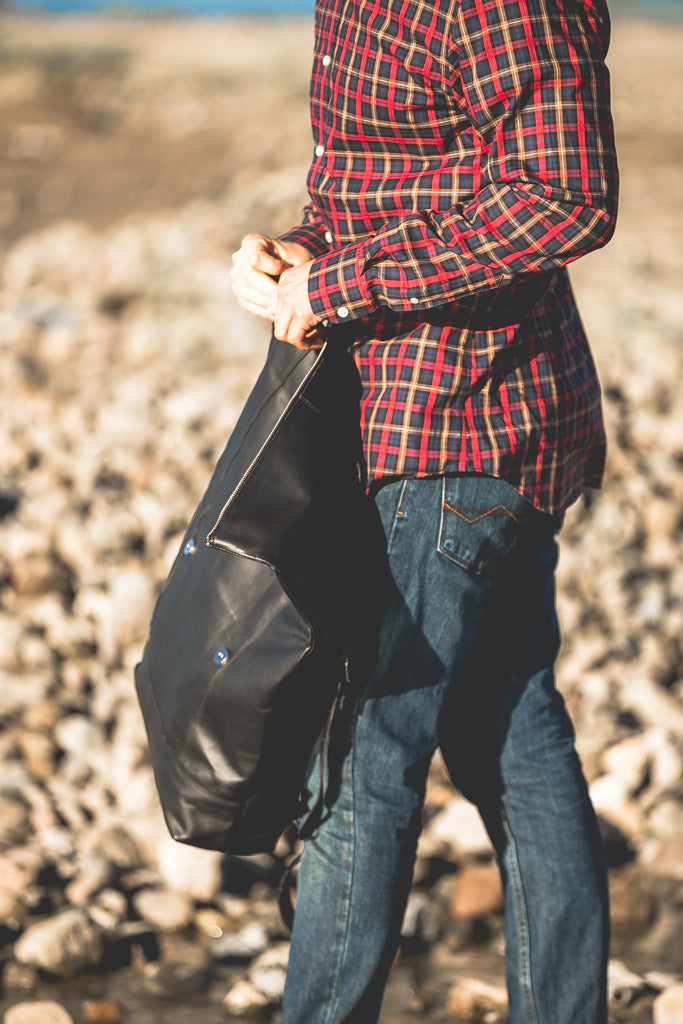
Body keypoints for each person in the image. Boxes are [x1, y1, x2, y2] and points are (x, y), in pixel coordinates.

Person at [230, 0, 618, 1021]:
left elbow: (562, 198)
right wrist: (301, 253)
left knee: (364, 760)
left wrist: (346, 280)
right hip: (401, 413)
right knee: (511, 737)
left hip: (465, 421)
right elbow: (394, 179)